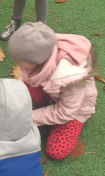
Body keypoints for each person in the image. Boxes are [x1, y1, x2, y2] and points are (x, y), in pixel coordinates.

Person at [8, 22, 98, 160]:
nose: (18, 64)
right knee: (23, 88)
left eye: (20, 61)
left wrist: (28, 118)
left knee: (56, 151)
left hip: (75, 110)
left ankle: (70, 122)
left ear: (36, 61)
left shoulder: (72, 78)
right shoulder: (43, 51)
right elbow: (26, 77)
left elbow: (65, 112)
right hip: (53, 91)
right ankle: (42, 106)